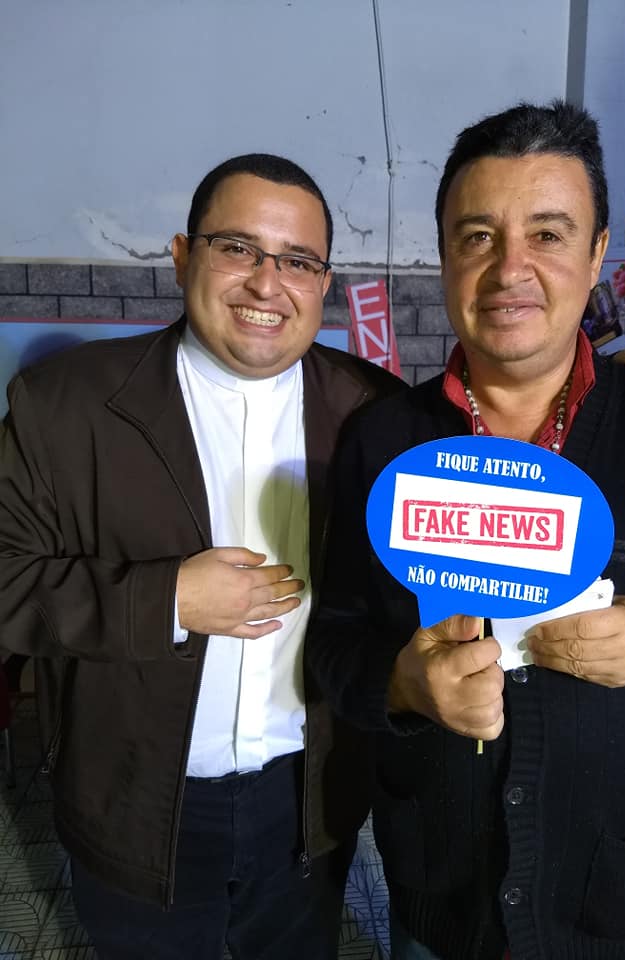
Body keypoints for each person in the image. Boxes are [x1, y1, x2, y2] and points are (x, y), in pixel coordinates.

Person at [307, 102, 625, 960]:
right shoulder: (383, 443)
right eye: (478, 237)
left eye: (549, 234)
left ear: (598, 253)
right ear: (445, 256)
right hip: (438, 896)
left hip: (614, 896)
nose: (510, 270)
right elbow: (334, 642)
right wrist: (403, 686)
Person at [0, 154, 401, 959]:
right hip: (135, 800)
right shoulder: (65, 404)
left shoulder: (375, 412)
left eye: (297, 261)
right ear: (184, 256)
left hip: (309, 797)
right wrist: (168, 600)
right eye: (237, 248)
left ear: (324, 284)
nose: (266, 283)